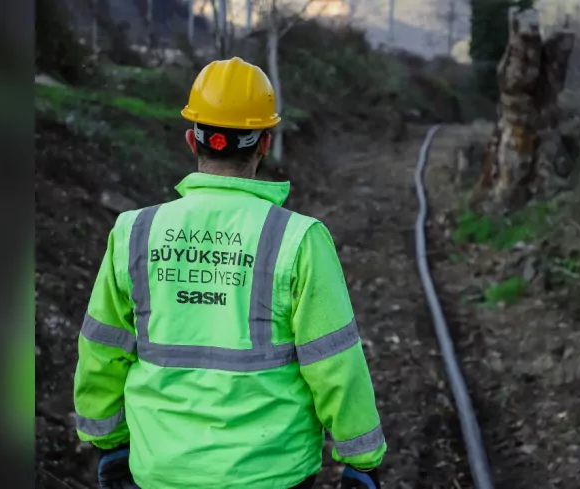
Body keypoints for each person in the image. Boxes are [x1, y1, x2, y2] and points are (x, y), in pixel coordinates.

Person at [73, 57, 386, 489]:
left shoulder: (135, 232)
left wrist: (108, 443)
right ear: (264, 144)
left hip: (161, 472)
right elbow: (335, 362)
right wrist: (361, 459)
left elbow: (101, 350)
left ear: (191, 139)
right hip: (272, 474)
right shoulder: (297, 239)